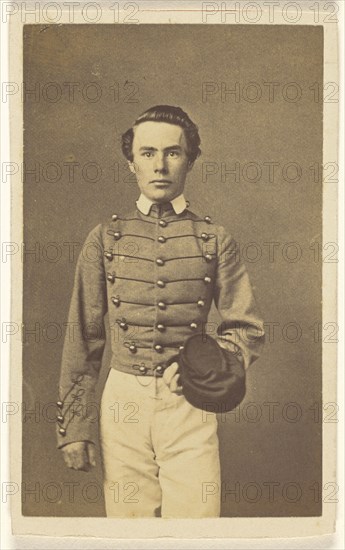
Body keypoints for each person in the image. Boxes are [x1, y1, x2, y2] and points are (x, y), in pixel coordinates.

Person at [56, 105, 265, 518]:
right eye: (148, 153)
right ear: (130, 161)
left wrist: (205, 368)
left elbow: (246, 326)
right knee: (128, 527)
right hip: (122, 403)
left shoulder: (214, 238)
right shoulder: (104, 238)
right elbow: (82, 335)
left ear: (191, 160)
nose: (160, 165)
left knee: (196, 526)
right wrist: (74, 428)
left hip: (189, 403)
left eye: (173, 153)